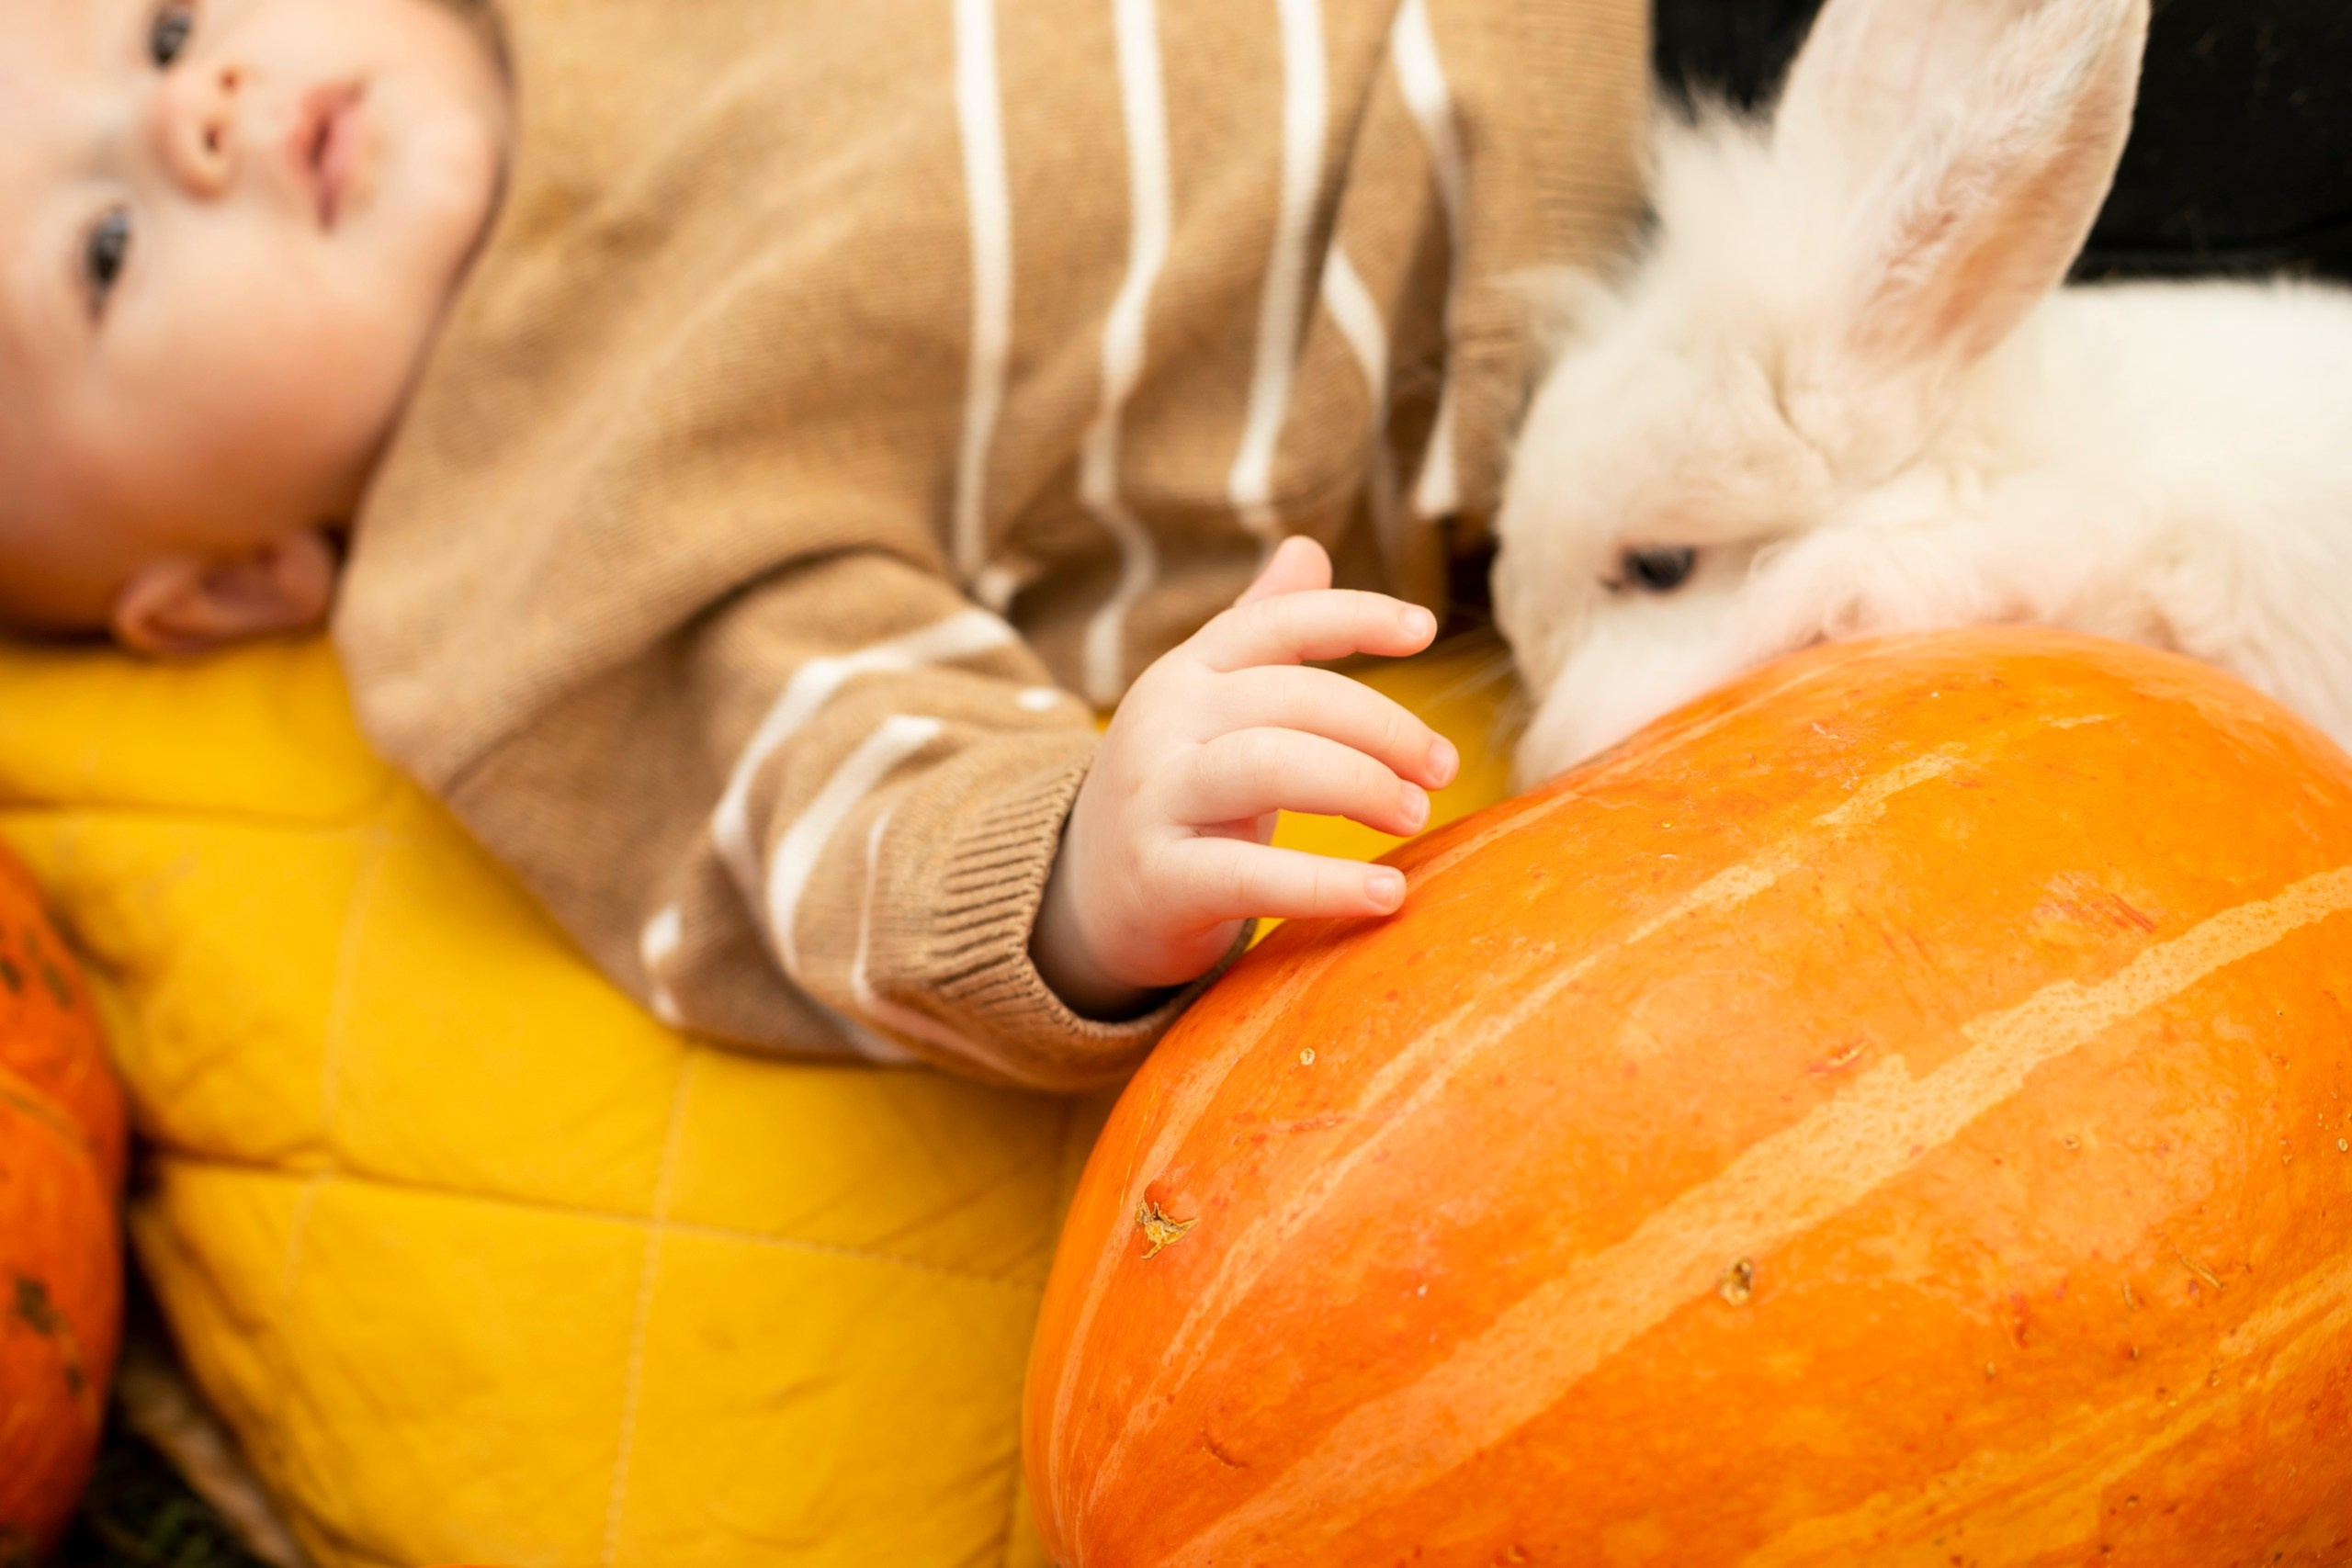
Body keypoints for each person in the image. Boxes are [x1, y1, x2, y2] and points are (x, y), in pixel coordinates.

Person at [0, 0, 1648, 1087]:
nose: (195, 109)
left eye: (163, 22)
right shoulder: (516, 566)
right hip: (1583, 260)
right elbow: (831, 807)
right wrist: (1078, 872)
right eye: (109, 247)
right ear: (227, 583)